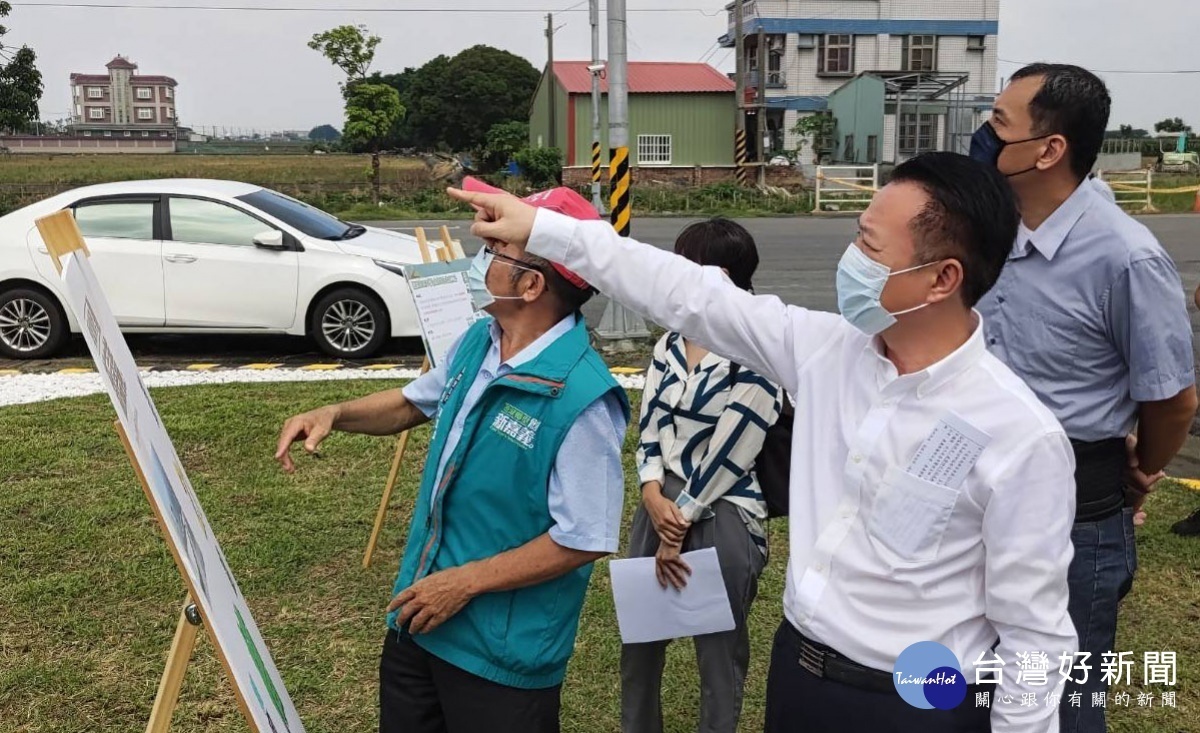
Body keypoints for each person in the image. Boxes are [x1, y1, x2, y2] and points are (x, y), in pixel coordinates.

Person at [449, 151, 1079, 733]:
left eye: (868, 244)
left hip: (920, 700)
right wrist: (544, 229)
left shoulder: (1018, 436)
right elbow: (688, 292)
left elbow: (1035, 637)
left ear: (941, 278)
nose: (850, 259)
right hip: (800, 673)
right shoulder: (828, 352)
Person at [275, 177, 630, 733]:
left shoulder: (582, 398)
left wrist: (463, 583)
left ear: (531, 284)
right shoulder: (479, 341)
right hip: (422, 618)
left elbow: (582, 536)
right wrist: (336, 414)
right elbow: (411, 404)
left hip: (501, 655)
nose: (478, 260)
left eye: (495, 251)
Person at [970, 63, 1198, 733]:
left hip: (1073, 514)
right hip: (975, 500)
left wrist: (1138, 471)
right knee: (976, 686)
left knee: (1059, 697)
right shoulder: (991, 229)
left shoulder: (1125, 256)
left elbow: (1173, 400)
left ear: (1049, 150)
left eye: (999, 123)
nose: (984, 135)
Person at [623, 218, 782, 733]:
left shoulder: (756, 350)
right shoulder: (669, 342)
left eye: (682, 263)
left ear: (716, 275)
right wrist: (650, 490)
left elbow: (735, 448)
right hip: (659, 505)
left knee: (719, 655)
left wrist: (680, 520)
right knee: (640, 647)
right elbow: (650, 423)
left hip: (724, 510)